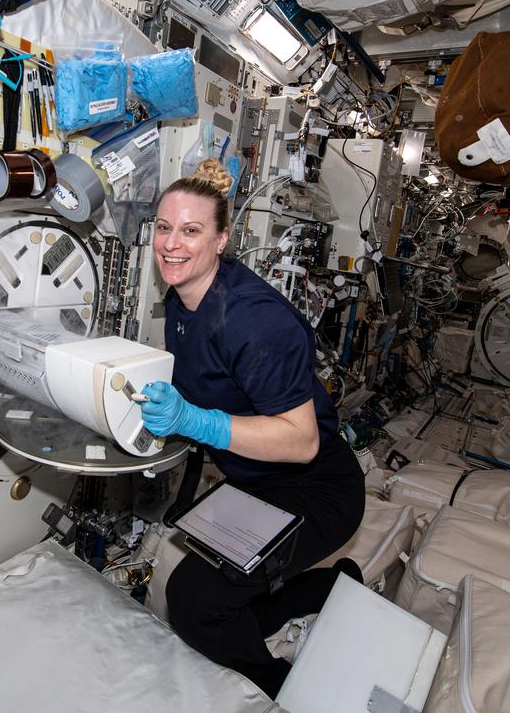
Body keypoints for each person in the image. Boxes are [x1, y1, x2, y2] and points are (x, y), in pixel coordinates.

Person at [139, 158, 365, 697]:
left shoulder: (253, 321)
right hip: (255, 478)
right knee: (227, 587)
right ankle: (334, 587)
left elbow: (302, 440)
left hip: (315, 488)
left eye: (191, 231)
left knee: (194, 601)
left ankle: (280, 687)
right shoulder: (183, 296)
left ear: (221, 241)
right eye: (165, 228)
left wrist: (194, 421)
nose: (172, 244)